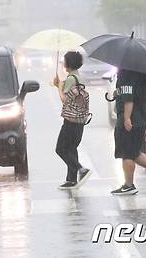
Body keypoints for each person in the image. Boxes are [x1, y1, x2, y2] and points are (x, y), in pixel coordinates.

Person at [111, 69, 146, 195]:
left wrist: (126, 118)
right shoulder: (140, 72)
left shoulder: (126, 73)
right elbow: (132, 93)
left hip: (131, 119)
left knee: (127, 153)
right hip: (140, 118)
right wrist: (118, 93)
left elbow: (129, 99)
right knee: (134, 152)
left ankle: (129, 185)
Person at [52, 51, 92, 190]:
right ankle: (71, 179)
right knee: (71, 148)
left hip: (70, 121)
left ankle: (81, 170)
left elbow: (65, 100)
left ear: (68, 64)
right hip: (79, 121)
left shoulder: (70, 79)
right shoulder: (78, 77)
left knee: (60, 149)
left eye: (64, 61)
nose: (63, 63)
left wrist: (59, 87)